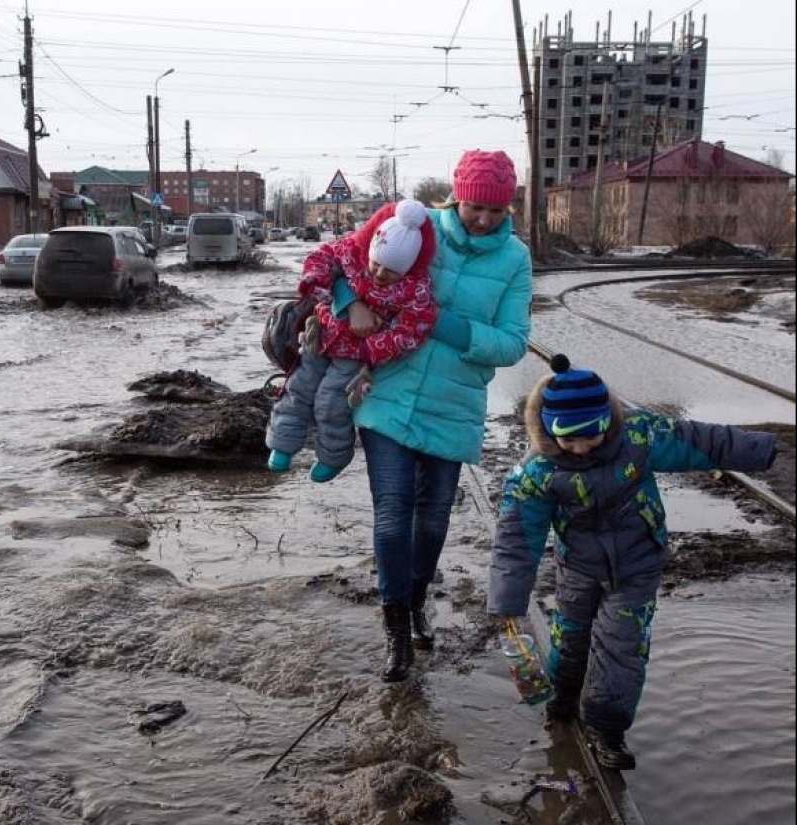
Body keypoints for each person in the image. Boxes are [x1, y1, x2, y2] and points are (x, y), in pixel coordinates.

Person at [487, 353, 778, 770]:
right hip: (579, 569)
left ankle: (607, 730)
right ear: (551, 431)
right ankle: (563, 703)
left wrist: (761, 449)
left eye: (591, 435)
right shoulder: (537, 473)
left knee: (622, 646)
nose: (582, 446)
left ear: (607, 421)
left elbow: (700, 441)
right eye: (570, 439)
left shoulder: (639, 438)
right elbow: (516, 540)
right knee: (571, 641)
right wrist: (508, 602)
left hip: (636, 564)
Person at [335, 149, 533, 682]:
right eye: (475, 207)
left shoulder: (515, 259)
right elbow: (341, 259)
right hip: (389, 392)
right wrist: (345, 304)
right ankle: (396, 624)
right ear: (456, 197)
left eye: (495, 210)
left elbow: (513, 343)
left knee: (435, 518)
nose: (484, 219)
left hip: (455, 404)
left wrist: (437, 324)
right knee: (394, 512)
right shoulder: (416, 227)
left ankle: (417, 597)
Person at [265, 198, 437, 483]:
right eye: (377, 264)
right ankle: (282, 444)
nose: (380, 274)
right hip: (318, 339)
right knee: (298, 388)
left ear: (407, 268)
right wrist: (320, 284)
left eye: (392, 271)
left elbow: (414, 329)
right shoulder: (351, 252)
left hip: (354, 355)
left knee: (331, 403)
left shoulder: (415, 289)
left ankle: (333, 457)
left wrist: (372, 350)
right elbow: (319, 260)